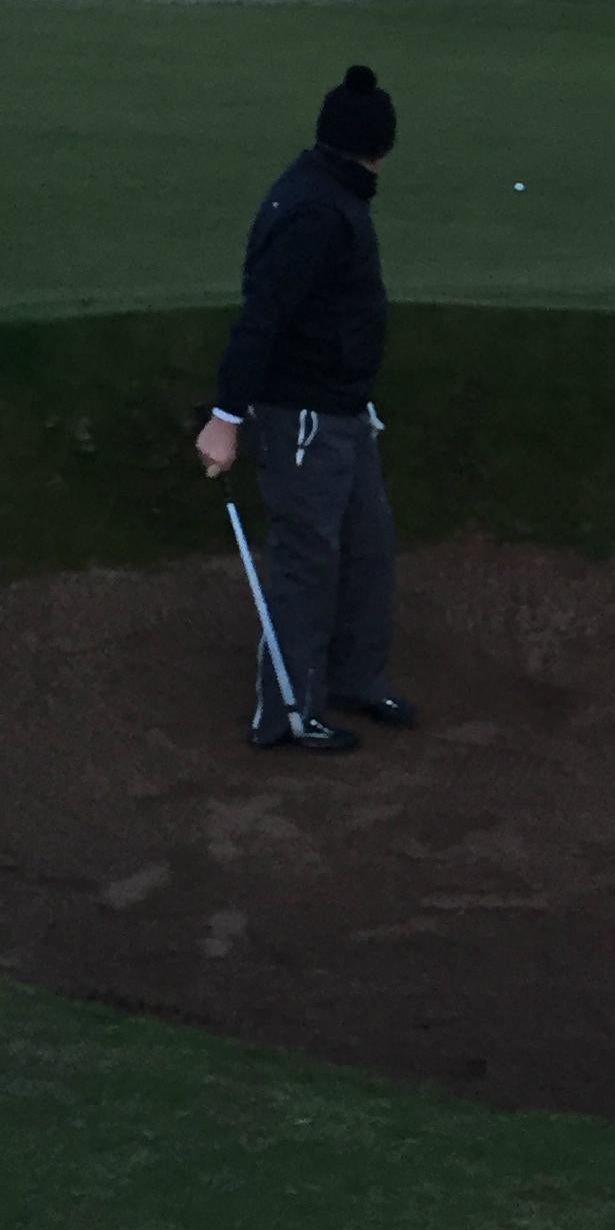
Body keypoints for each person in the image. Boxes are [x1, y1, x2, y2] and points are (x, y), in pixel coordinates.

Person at [195, 65, 413, 754]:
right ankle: (288, 707)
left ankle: (354, 677)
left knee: (367, 548)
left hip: (346, 410)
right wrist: (226, 417)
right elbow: (261, 318)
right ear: (374, 147)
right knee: (306, 560)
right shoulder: (314, 211)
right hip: (301, 417)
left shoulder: (334, 194)